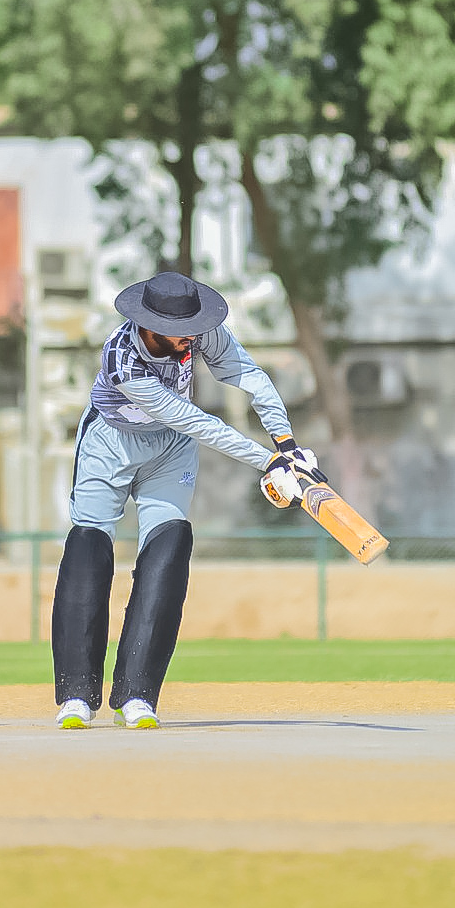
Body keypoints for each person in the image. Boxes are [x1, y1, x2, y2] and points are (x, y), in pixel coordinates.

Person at [51, 271, 325, 730]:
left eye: (195, 329)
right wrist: (267, 462)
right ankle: (76, 695)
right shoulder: (122, 359)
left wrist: (287, 444)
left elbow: (249, 376)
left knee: (170, 546)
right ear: (149, 326)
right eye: (181, 332)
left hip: (171, 449)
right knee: (89, 546)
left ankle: (137, 696)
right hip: (110, 443)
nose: (192, 340)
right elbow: (195, 421)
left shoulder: (198, 333)